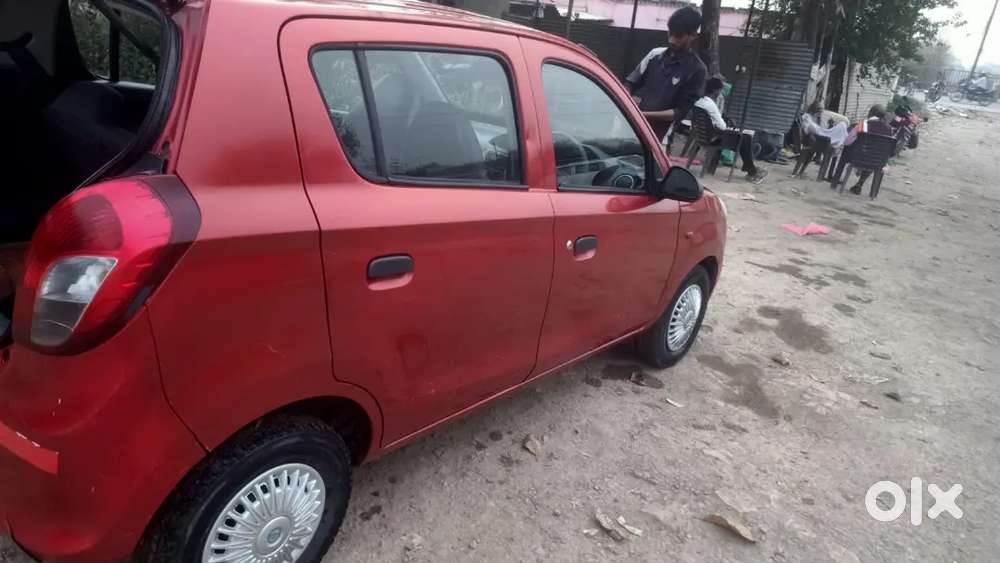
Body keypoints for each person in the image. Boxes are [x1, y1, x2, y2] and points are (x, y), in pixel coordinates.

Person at [625, 6, 707, 143]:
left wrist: (642, 115)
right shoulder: (654, 55)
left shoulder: (697, 70)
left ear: (693, 36)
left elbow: (679, 113)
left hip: (659, 140)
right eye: (670, 34)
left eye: (679, 36)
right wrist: (627, 103)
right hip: (632, 129)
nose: (672, 40)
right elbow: (629, 84)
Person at [694, 77, 768, 184]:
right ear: (716, 90)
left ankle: (749, 166)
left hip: (704, 135)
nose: (720, 93)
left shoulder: (699, 102)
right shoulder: (711, 105)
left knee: (744, 138)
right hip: (714, 138)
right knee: (745, 138)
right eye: (720, 90)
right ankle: (750, 168)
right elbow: (723, 127)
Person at [838, 104, 893, 194]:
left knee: (850, 152)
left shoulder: (863, 124)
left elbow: (847, 142)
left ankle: (836, 180)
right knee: (874, 158)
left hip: (858, 158)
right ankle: (860, 184)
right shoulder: (889, 129)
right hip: (878, 162)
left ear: (870, 113)